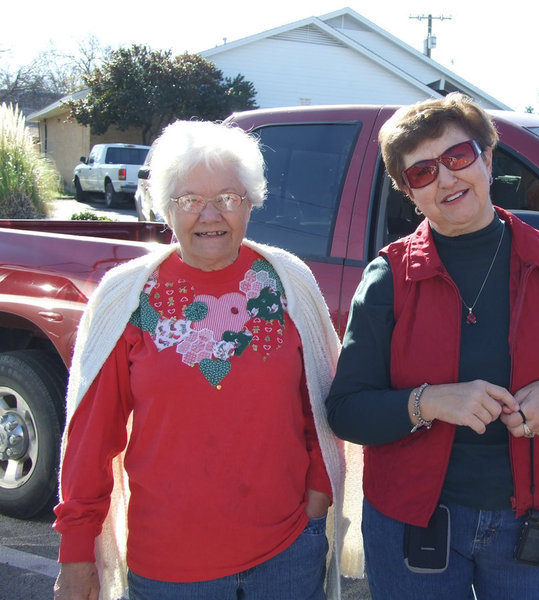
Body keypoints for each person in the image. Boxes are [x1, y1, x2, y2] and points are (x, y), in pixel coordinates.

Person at [326, 92, 539, 599]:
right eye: (422, 173)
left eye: (458, 157)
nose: (446, 178)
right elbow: (347, 411)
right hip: (415, 523)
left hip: (532, 520)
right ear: (408, 193)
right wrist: (431, 401)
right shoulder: (388, 278)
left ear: (487, 158)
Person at [53, 120, 347, 600]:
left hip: (287, 556)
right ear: (166, 208)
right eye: (190, 200)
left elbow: (322, 405)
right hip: (168, 569)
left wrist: (317, 501)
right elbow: (91, 438)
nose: (210, 214)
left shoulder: (288, 283)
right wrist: (77, 553)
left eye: (228, 197)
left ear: (251, 202)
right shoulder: (128, 297)